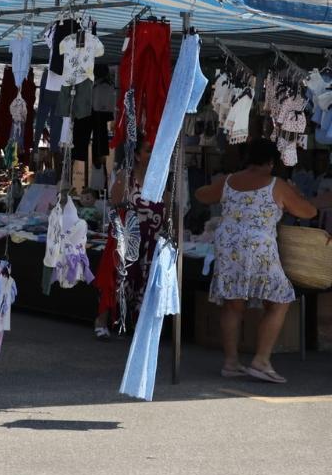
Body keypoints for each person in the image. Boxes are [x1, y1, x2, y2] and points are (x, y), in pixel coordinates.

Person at [195, 139, 323, 384]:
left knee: (233, 304)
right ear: (271, 162)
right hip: (258, 248)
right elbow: (308, 212)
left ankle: (231, 363)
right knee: (280, 299)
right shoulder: (276, 184)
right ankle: (261, 361)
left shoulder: (229, 181)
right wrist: (295, 196)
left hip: (228, 245)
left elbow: (201, 195)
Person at [93, 137, 167, 340]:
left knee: (143, 282)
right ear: (137, 155)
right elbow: (115, 203)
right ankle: (102, 319)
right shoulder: (127, 176)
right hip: (128, 236)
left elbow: (167, 208)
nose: (152, 156)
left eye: (154, 151)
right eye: (148, 151)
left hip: (151, 239)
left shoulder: (160, 178)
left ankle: (134, 324)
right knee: (117, 278)